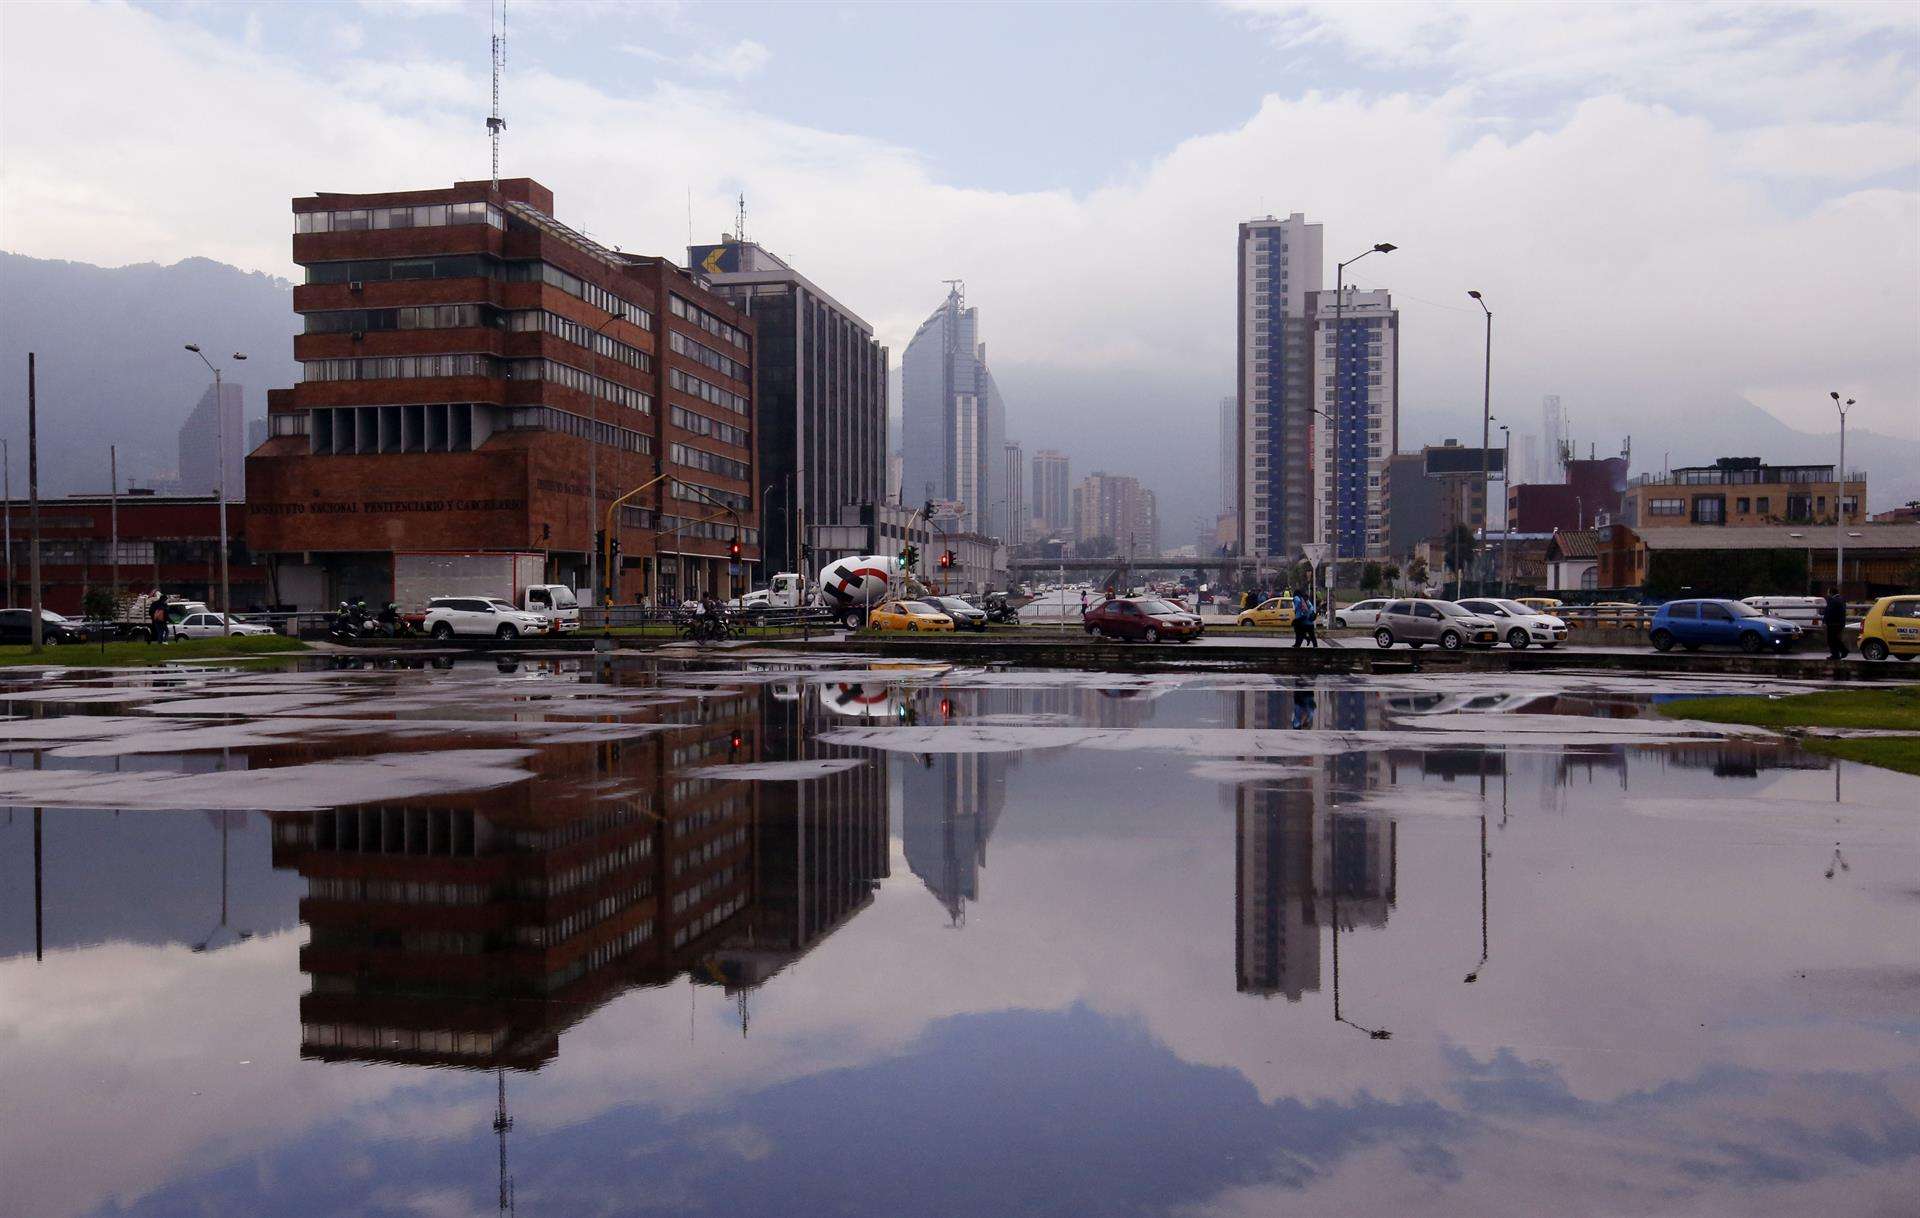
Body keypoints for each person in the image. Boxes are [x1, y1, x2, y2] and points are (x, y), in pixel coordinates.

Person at [1823, 586, 1849, 660]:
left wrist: (1825, 621)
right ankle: (1840, 652)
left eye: (1828, 592)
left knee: (1831, 639)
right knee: (1834, 639)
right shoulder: (1841, 599)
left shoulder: (1833, 600)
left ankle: (1838, 653)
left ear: (1831, 593)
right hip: (1840, 623)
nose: (1827, 594)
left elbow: (1829, 612)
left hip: (1833, 623)